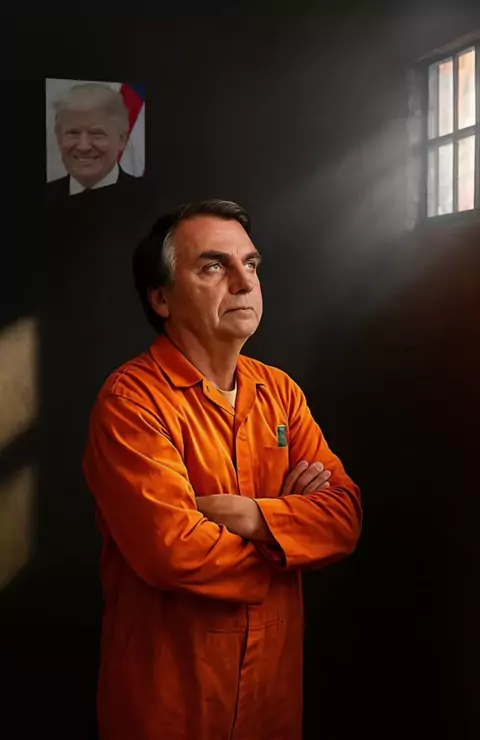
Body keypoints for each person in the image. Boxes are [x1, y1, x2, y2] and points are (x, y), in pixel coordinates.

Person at [83, 199, 362, 740]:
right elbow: (172, 552)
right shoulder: (132, 401)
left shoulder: (280, 392)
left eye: (251, 264)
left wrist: (252, 517)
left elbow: (344, 517)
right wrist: (289, 540)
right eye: (214, 266)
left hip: (271, 702)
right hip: (170, 707)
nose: (244, 281)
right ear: (161, 297)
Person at [46, 82, 137, 198]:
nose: (83, 147)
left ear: (122, 140)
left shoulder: (148, 196)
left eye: (97, 134)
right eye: (73, 133)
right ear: (59, 139)